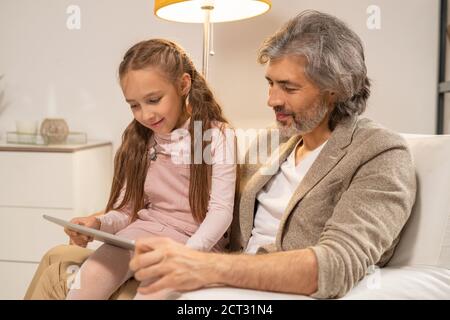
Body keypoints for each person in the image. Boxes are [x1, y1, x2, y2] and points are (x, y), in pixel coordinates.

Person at [25, 10, 416, 300]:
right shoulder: (272, 143)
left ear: (336, 88)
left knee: (69, 272)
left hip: (247, 289)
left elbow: (335, 264)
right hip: (210, 269)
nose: (271, 100)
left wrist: (198, 263)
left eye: (288, 88)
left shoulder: (379, 154)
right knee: (60, 258)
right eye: (270, 84)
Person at [30, 38, 237, 300]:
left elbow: (220, 213)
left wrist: (187, 255)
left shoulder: (216, 136)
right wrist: (99, 223)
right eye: (134, 105)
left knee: (151, 293)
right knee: (86, 281)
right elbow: (128, 211)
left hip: (193, 244)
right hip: (140, 235)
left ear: (183, 85)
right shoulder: (140, 139)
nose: (146, 115)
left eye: (154, 100)